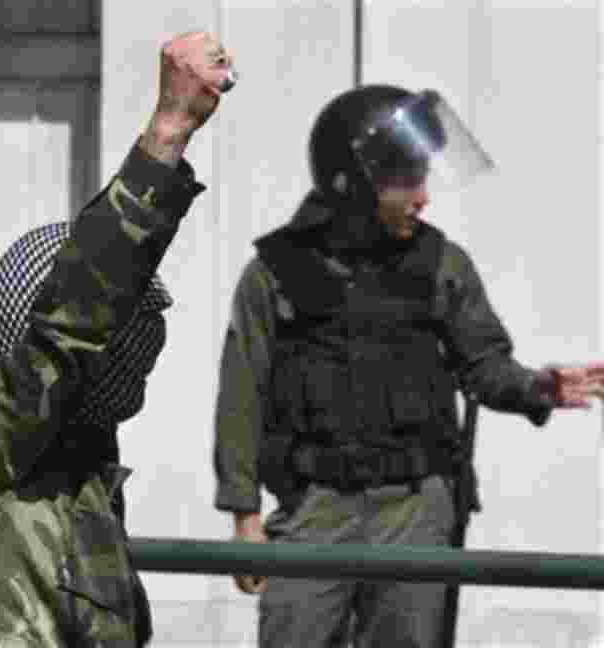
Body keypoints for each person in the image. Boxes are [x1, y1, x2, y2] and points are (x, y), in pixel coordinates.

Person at [212, 84, 604, 648]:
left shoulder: (440, 263)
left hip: (415, 510)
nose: (424, 198)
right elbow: (241, 390)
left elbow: (485, 367)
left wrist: (539, 387)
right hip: (313, 509)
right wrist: (243, 515)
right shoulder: (276, 272)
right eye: (406, 181)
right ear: (352, 184)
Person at [0, 31, 234, 647]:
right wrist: (168, 133)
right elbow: (76, 319)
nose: (145, 353)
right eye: (126, 334)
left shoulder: (82, 468)